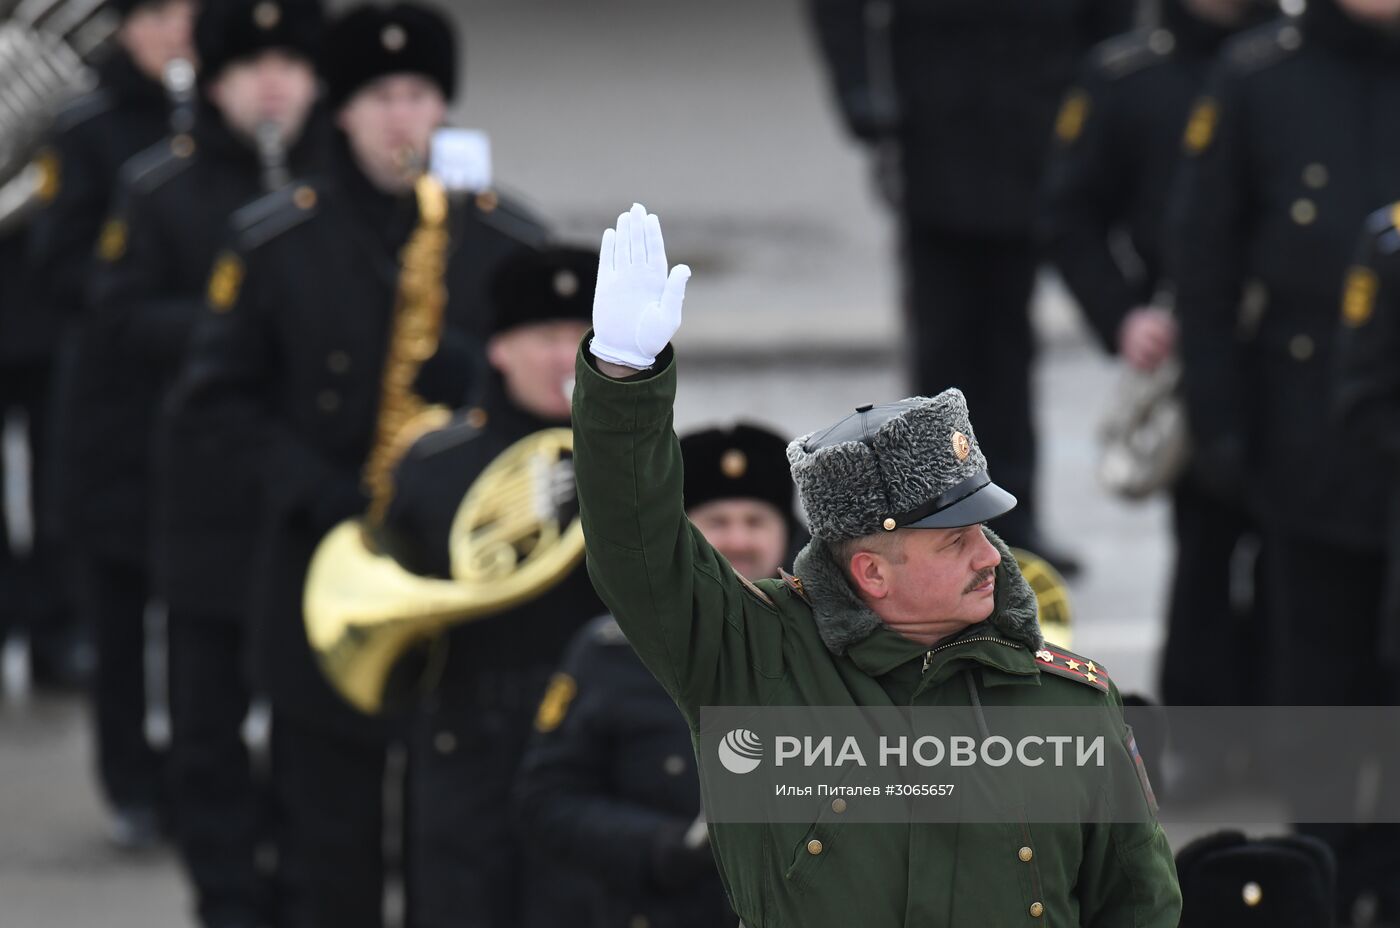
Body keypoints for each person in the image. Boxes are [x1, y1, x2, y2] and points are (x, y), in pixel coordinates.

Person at [570, 203, 1181, 926]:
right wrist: (623, 382)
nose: (991, 557)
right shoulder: (754, 663)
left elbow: (1138, 906)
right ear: (871, 574)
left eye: (983, 532)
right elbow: (637, 549)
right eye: (954, 541)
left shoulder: (1070, 706)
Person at [171, 4, 545, 924]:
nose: (401, 118)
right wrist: (314, 488)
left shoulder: (507, 246)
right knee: (324, 847)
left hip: (464, 586)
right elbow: (212, 405)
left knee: (456, 845)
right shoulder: (277, 240)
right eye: (379, 96)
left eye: (419, 95)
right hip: (320, 572)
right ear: (339, 110)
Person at [88, 0, 325, 920]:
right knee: (205, 727)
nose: (272, 85)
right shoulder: (163, 188)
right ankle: (226, 899)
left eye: (291, 66)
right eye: (250, 67)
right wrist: (242, 331)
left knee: (314, 728)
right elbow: (116, 314)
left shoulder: (340, 192)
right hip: (202, 493)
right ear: (215, 82)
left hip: (308, 499)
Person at [1168, 1, 1400, 920]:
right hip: (1313, 439)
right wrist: (1220, 425)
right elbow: (1205, 259)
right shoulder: (1261, 79)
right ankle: (1327, 873)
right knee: (1321, 680)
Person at [805, 0, 1135, 575]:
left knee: (1009, 337)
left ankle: (1013, 513)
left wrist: (1100, 93)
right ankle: (935, 512)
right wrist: (864, 96)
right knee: (944, 338)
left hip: (1034, 106)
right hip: (936, 112)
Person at [1037, 0, 1272, 775]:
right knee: (1206, 553)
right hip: (1197, 354)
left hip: (1304, 351)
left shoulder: (1296, 63)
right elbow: (1070, 213)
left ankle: (1291, 744)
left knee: (1311, 566)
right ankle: (1204, 753)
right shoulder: (1128, 78)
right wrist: (1123, 316)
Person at [369, 246, 605, 927]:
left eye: (579, 338)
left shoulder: (639, 461)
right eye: (545, 338)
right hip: (468, 737)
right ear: (499, 349)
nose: (565, 359)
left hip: (588, 734)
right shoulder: (435, 465)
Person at [25, 0, 198, 848]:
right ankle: (132, 779)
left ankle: (205, 770)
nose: (179, 29)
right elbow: (60, 267)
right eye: (159, 12)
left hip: (210, 412)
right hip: (120, 407)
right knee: (122, 610)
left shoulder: (241, 119)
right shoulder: (89, 129)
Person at [515, 422, 795, 928]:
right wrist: (662, 847)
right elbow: (548, 802)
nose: (738, 538)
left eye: (755, 520)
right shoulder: (611, 654)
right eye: (718, 520)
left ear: (785, 534)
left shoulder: (826, 645)